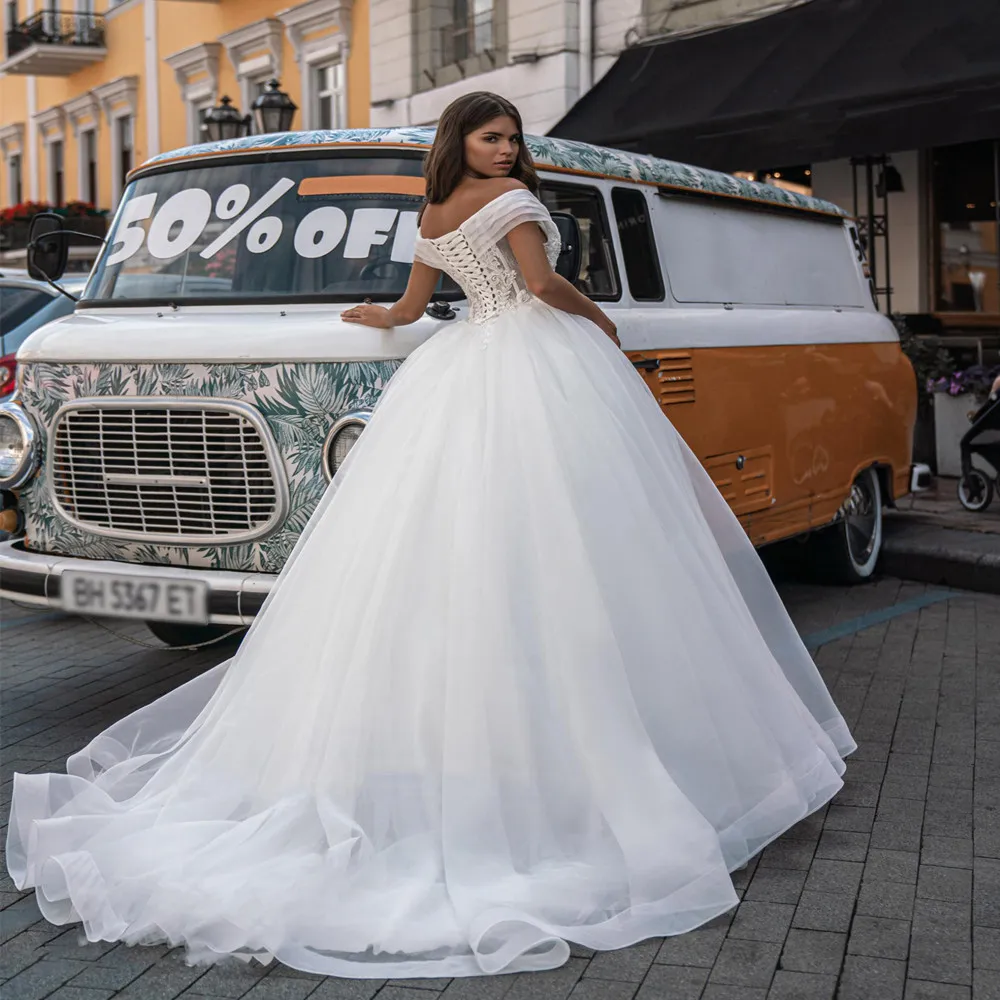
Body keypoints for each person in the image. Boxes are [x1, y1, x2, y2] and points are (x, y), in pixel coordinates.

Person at [6, 92, 855, 979]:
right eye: (492, 136)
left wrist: (377, 320)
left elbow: (412, 304)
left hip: (458, 370)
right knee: (576, 540)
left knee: (450, 550)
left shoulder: (434, 211)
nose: (507, 148)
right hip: (535, 360)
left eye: (512, 138)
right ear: (464, 140)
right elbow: (540, 286)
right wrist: (600, 322)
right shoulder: (520, 205)